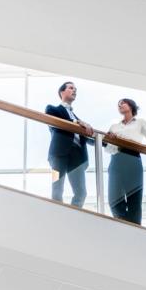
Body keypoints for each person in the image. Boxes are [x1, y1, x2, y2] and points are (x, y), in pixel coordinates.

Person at [106, 97, 146, 225]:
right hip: (116, 160)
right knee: (114, 201)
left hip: (133, 160)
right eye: (118, 104)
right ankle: (126, 226)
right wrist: (112, 141)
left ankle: (133, 232)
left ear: (131, 105)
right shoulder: (114, 126)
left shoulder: (140, 122)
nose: (120, 105)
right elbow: (109, 149)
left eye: (123, 103)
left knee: (134, 201)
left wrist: (135, 145)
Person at [45, 80, 93, 208]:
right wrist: (77, 122)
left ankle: (72, 217)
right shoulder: (52, 109)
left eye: (75, 89)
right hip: (57, 156)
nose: (74, 90)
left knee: (81, 192)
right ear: (62, 92)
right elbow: (52, 119)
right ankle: (57, 216)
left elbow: (90, 139)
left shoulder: (78, 118)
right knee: (56, 189)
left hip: (78, 158)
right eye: (71, 88)